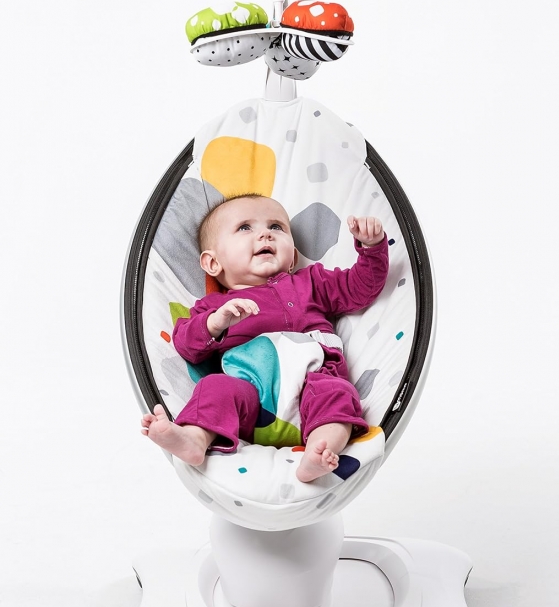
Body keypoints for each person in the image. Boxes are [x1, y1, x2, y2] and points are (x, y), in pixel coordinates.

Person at [141, 193, 389, 482]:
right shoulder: (214, 306)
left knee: (339, 393)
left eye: (276, 227)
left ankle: (320, 451)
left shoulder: (311, 282)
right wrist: (216, 323)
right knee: (214, 387)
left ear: (293, 257)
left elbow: (359, 289)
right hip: (248, 398)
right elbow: (186, 345)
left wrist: (372, 248)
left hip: (315, 381)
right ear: (213, 263)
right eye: (245, 227)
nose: (265, 234)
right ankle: (194, 439)